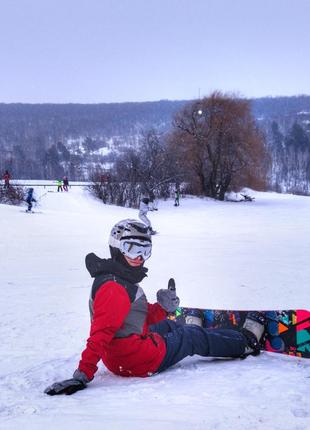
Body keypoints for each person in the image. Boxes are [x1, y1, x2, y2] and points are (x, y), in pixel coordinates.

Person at [44, 219, 266, 396]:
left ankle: (195, 331)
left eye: (145, 250)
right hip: (136, 359)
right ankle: (245, 342)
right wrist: (82, 374)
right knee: (190, 337)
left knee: (170, 326)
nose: (139, 257)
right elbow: (100, 334)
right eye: (132, 249)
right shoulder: (114, 288)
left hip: (123, 352)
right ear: (117, 247)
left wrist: (162, 307)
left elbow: (134, 318)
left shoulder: (117, 277)